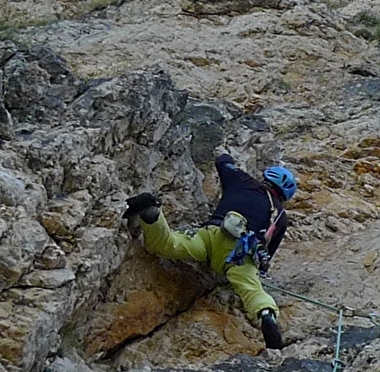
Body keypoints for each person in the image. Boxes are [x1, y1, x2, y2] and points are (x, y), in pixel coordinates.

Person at [123, 149, 296, 349]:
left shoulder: (241, 180)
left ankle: (152, 214)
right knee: (253, 291)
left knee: (167, 244)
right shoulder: (281, 216)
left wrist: (226, 155)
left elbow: (222, 162)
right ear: (285, 195)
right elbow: (266, 257)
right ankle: (266, 315)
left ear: (267, 176)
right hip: (240, 253)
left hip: (212, 234)